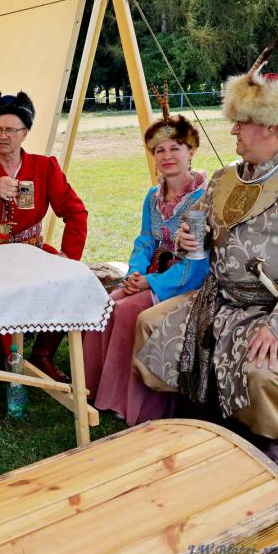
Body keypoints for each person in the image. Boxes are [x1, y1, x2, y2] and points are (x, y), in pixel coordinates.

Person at [132, 47, 278, 466]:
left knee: (262, 366)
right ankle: (204, 414)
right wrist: (189, 237)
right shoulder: (226, 176)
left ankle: (275, 433)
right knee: (151, 325)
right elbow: (196, 226)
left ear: (271, 125)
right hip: (218, 299)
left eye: (241, 122)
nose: (233, 131)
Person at [82, 95, 209, 425]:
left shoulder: (204, 197)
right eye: (159, 150)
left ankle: (131, 404)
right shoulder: (153, 196)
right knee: (108, 304)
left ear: (191, 151)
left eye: (175, 148)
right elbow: (145, 240)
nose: (166, 156)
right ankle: (97, 389)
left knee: (128, 312)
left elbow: (199, 262)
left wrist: (150, 282)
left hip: (187, 281)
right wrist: (135, 272)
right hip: (151, 274)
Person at [0, 89, 88, 383]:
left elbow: (76, 213)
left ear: (25, 133)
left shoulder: (44, 167)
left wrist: (68, 256)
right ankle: (6, 357)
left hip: (33, 252)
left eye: (10, 130)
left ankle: (43, 354)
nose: (3, 136)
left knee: (69, 284)